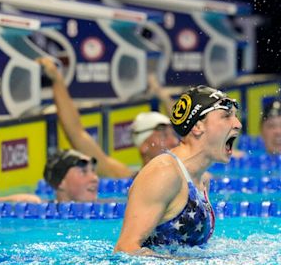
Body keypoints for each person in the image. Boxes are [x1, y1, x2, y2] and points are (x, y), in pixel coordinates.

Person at [114, 85, 242, 255]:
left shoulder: (201, 179)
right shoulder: (164, 173)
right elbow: (126, 250)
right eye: (226, 116)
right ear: (197, 127)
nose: (238, 124)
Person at [37, 57, 179, 178]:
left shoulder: (187, 170)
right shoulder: (126, 179)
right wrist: (57, 81)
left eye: (173, 134)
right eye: (164, 135)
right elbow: (76, 134)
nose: (174, 141)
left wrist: (163, 96)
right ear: (144, 146)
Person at [0, 149, 99, 203]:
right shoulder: (37, 207)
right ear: (61, 182)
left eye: (93, 171)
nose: (95, 178)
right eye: (83, 172)